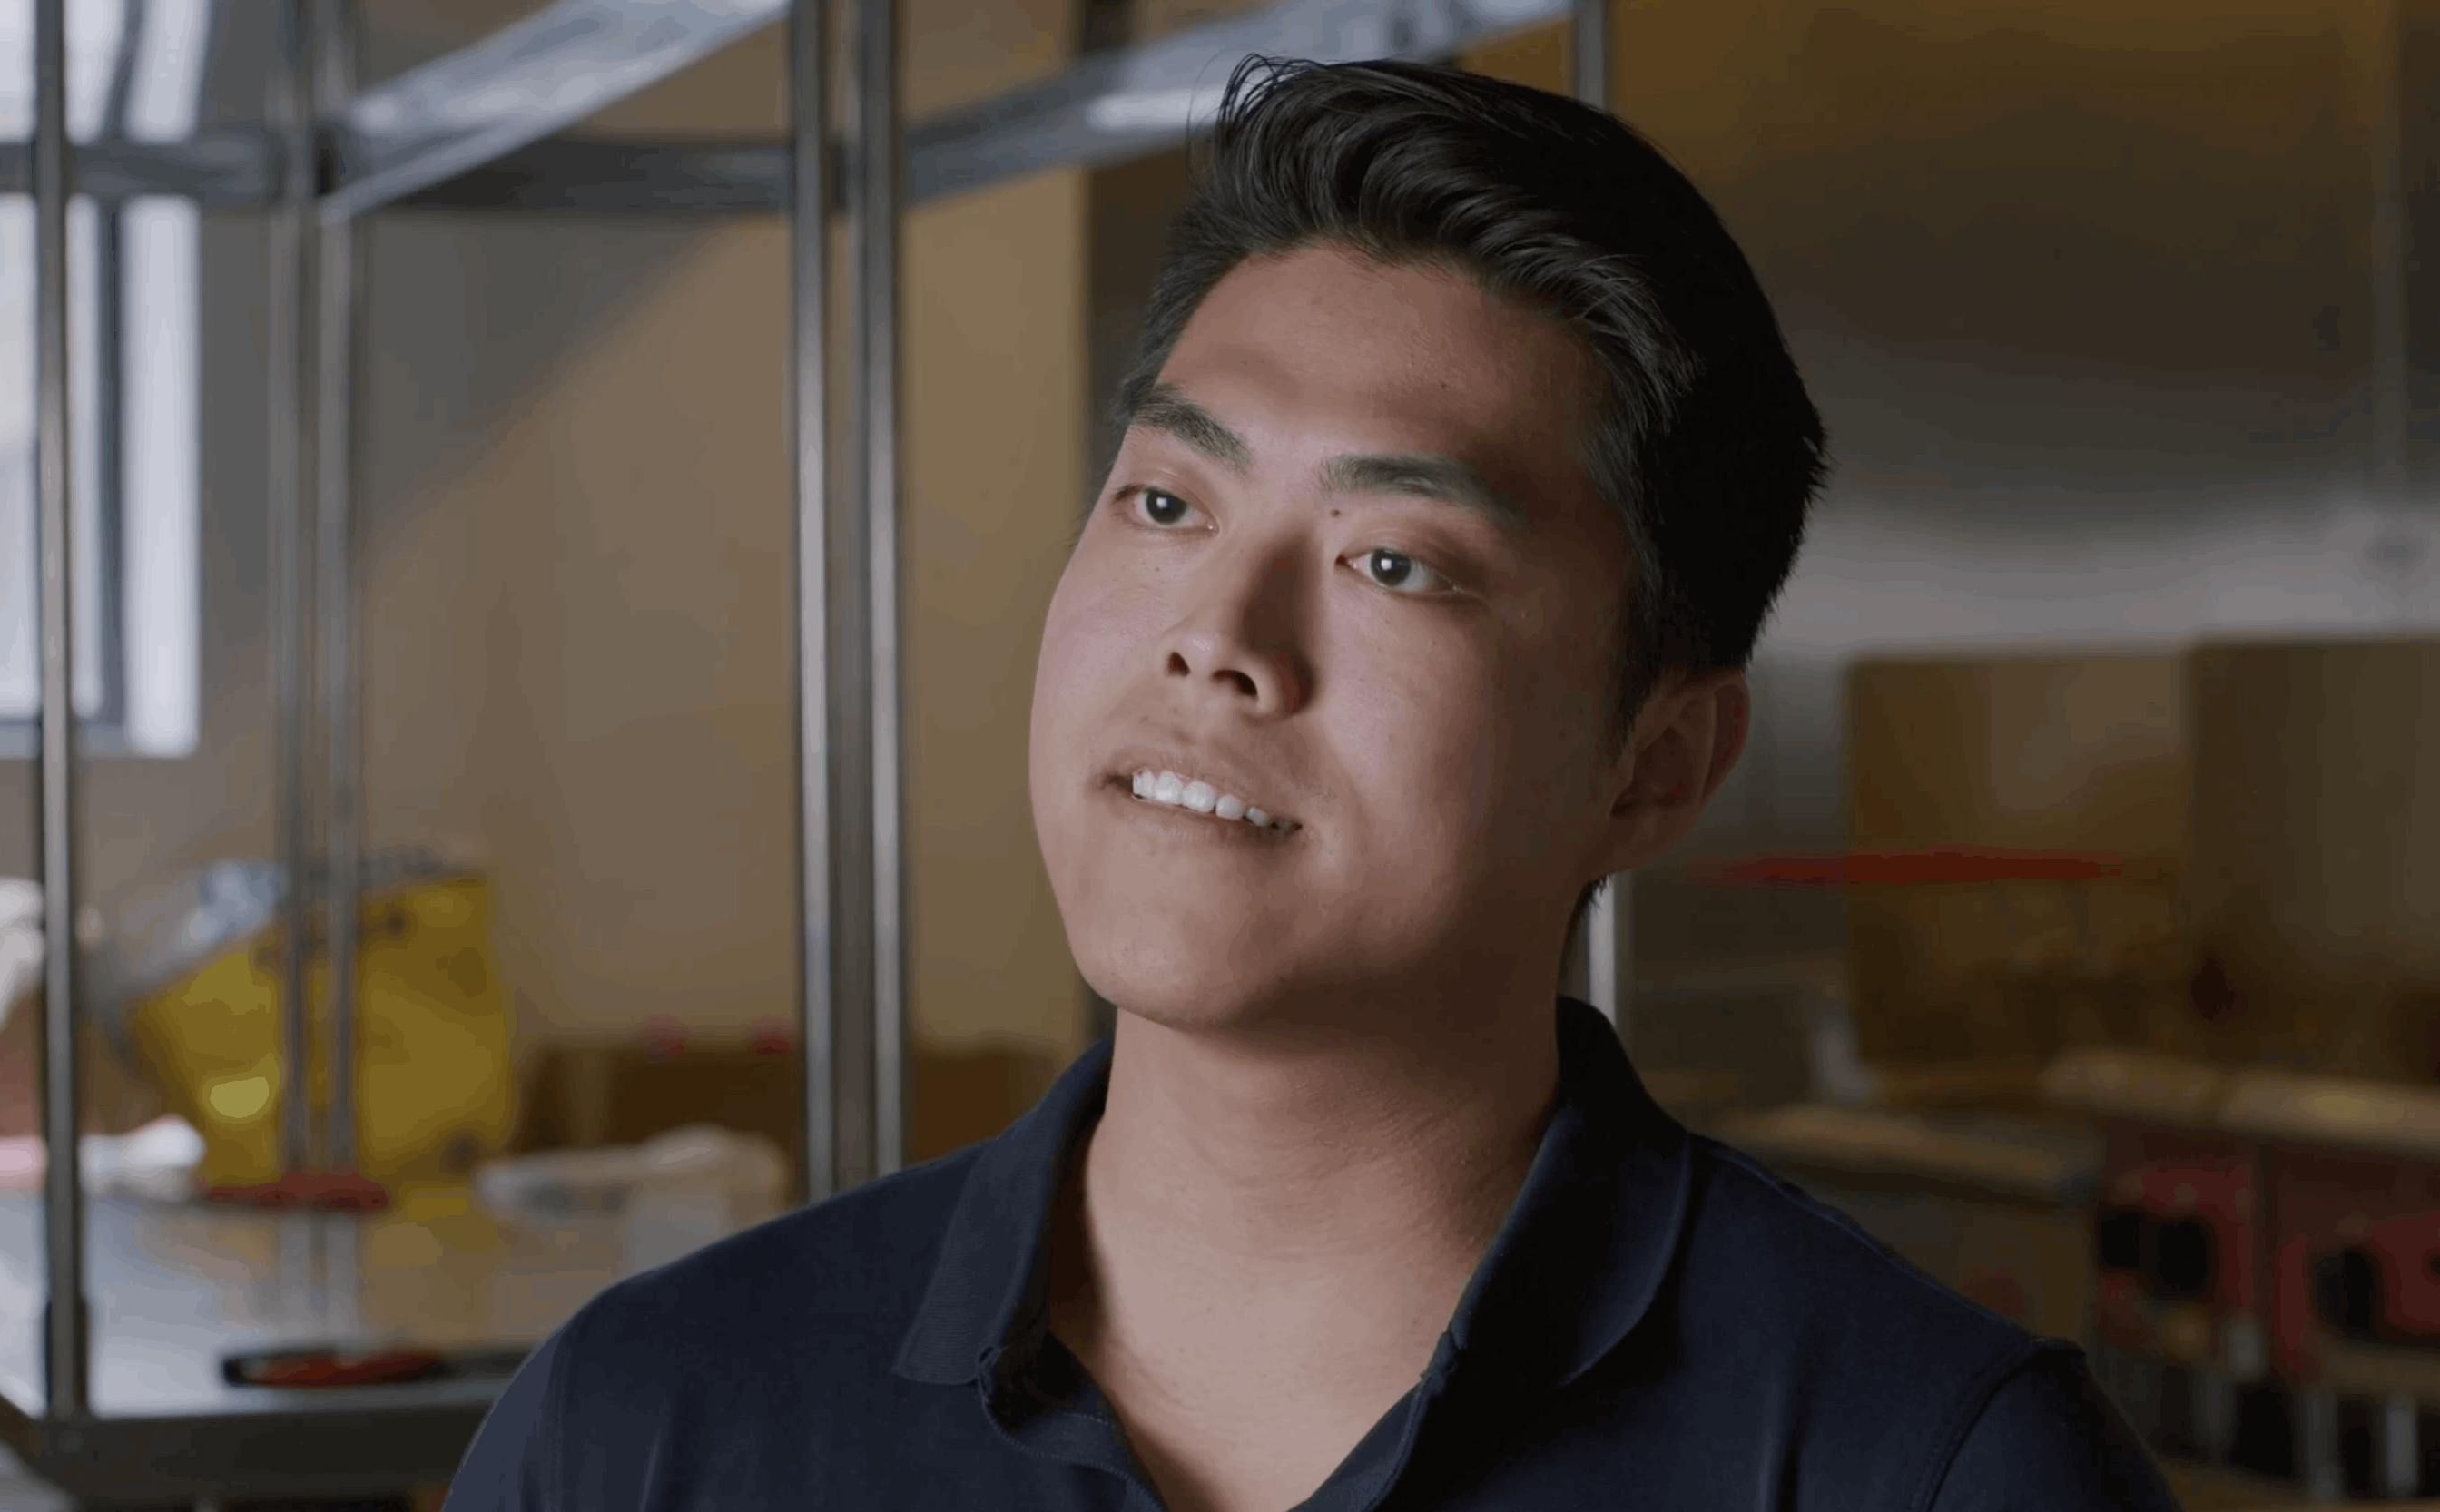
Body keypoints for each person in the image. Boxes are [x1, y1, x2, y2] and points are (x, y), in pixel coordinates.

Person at [446, 56, 2179, 1511]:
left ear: (1652, 768)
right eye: (1167, 504)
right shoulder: (645, 1430)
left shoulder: (1922, 1469)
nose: (1219, 640)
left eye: (1395, 562)